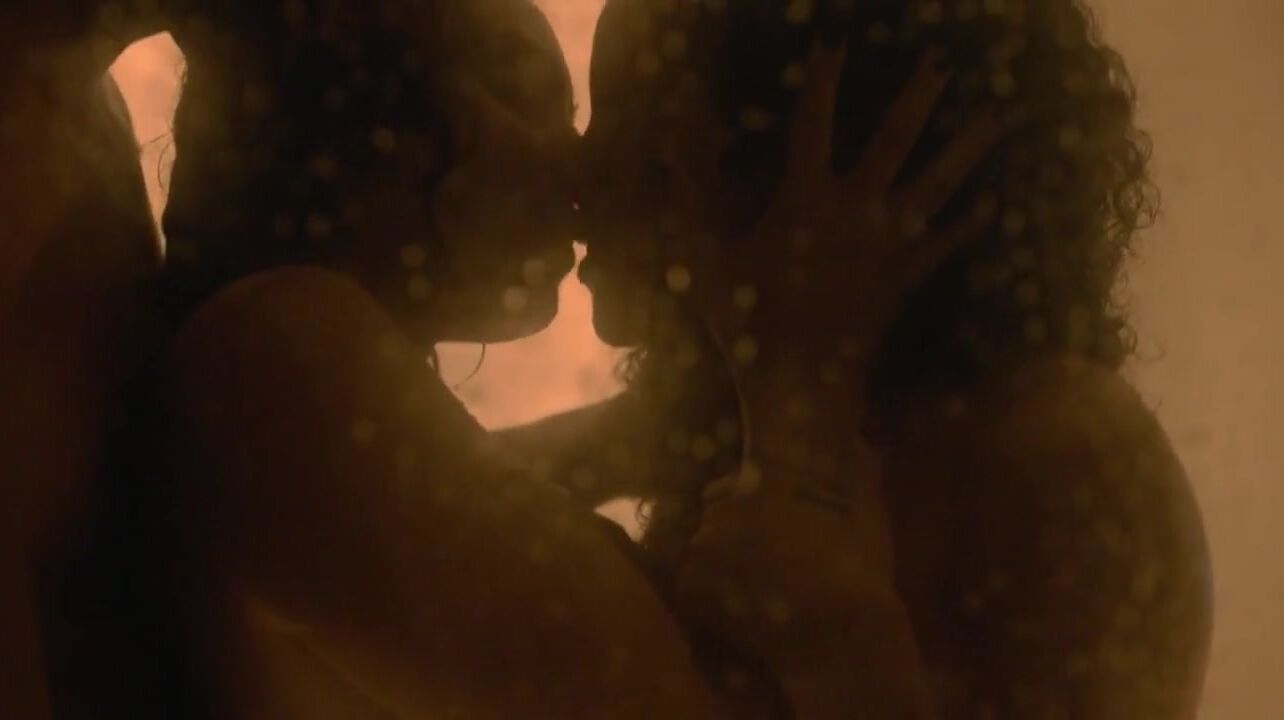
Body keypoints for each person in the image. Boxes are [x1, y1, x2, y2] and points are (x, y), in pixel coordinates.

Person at [563, 0, 1214, 716]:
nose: (572, 189)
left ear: (850, 173)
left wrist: (832, 612)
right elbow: (473, 525)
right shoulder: (716, 406)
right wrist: (789, 396)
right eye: (589, 135)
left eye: (652, 162)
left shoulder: (1062, 448)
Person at [138, 1, 735, 717]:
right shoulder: (277, 346)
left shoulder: (283, 368)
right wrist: (799, 379)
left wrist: (628, 441)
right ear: (380, 121)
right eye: (521, 95)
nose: (584, 167)